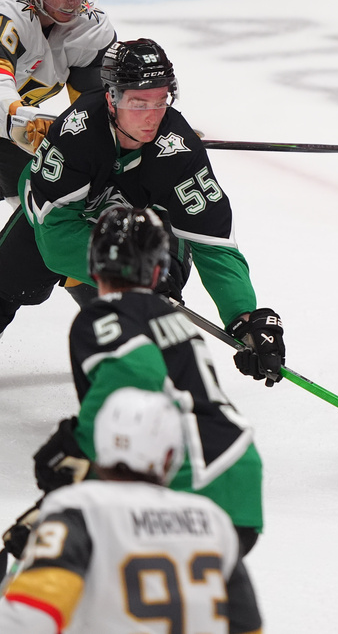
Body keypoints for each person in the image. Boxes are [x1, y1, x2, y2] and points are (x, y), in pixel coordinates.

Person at [0, 37, 285, 390]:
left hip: (140, 230)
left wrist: (243, 317)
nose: (152, 116)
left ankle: (129, 391)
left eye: (160, 101)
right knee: (4, 284)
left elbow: (213, 243)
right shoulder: (76, 134)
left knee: (151, 310)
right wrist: (134, 277)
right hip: (58, 226)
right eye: (138, 103)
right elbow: (56, 241)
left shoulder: (178, 149)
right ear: (111, 98)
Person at [23, 206, 266, 559]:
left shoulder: (104, 316)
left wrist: (79, 444)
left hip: (195, 483)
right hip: (238, 470)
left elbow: (137, 381)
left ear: (91, 265)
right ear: (157, 271)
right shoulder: (169, 316)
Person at [0, 387, 263, 634]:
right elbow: (248, 626)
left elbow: (30, 618)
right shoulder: (212, 519)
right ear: (170, 455)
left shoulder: (81, 510)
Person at [0, 0, 115, 208]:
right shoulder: (6, 13)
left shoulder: (90, 28)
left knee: (41, 199)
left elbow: (95, 106)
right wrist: (21, 117)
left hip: (6, 124)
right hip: (5, 116)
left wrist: (131, 127)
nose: (75, 1)